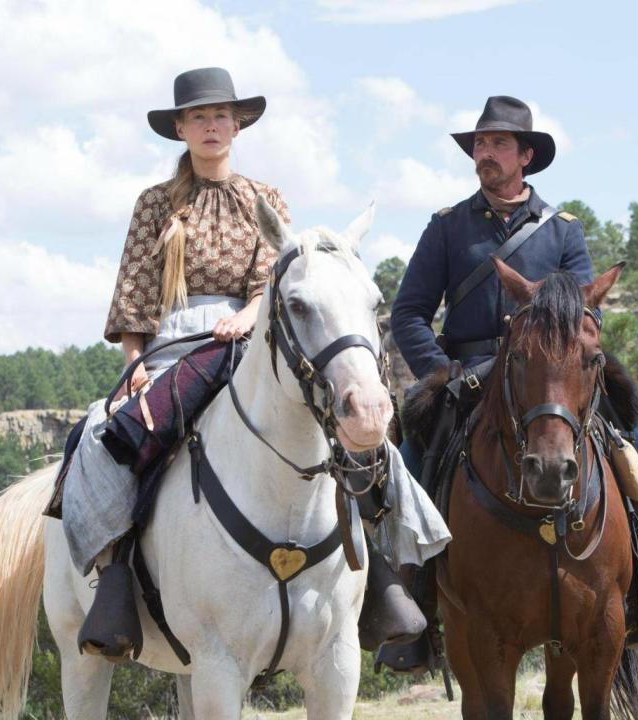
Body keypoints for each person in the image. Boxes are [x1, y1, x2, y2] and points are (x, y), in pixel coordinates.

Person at [63, 67, 448, 662]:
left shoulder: (265, 198)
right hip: (173, 344)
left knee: (352, 424)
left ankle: (382, 567)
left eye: (221, 116)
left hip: (255, 339)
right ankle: (115, 578)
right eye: (198, 117)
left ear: (237, 124)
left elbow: (282, 277)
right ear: (182, 129)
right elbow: (135, 292)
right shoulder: (153, 205)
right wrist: (135, 363)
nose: (211, 126)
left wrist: (249, 315)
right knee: (114, 433)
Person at [384, 96, 638, 670]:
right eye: (480, 144)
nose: (486, 153)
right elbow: (409, 313)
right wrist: (443, 369)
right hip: (470, 374)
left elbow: (584, 313)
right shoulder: (447, 228)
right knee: (406, 459)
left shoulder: (563, 230)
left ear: (526, 155)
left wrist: (561, 360)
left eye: (499, 144)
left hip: (550, 372)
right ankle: (411, 607)